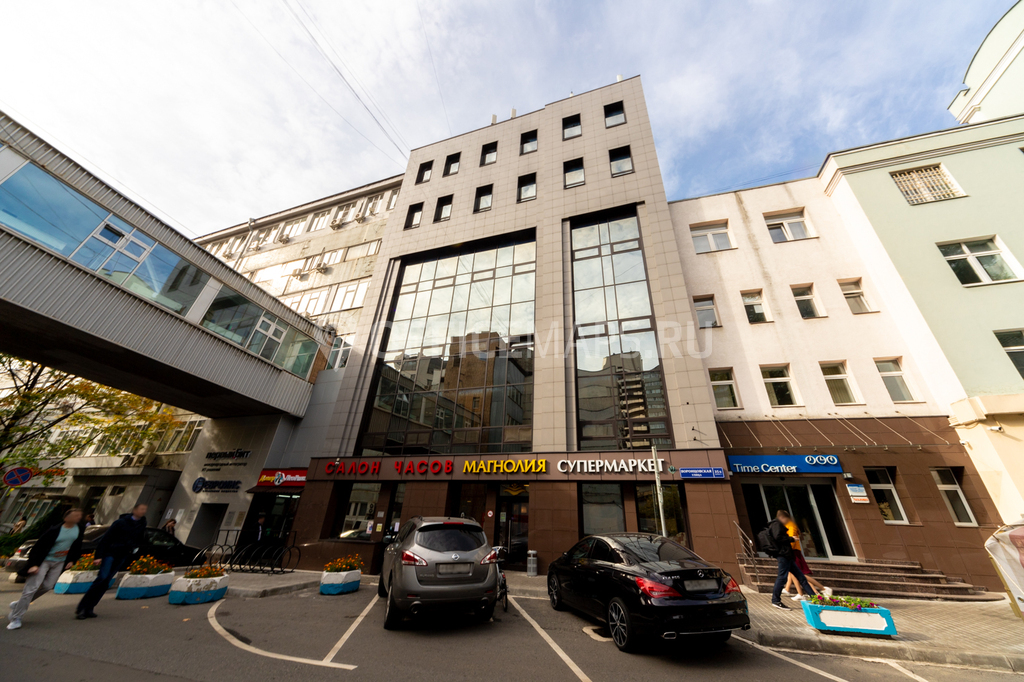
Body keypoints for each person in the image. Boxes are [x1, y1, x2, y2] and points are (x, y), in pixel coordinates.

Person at [7, 508, 84, 630]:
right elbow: (37, 547)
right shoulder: (54, 530)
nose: (78, 517)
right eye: (76, 515)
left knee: (48, 586)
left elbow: (77, 545)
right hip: (44, 561)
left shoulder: (78, 528)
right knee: (30, 589)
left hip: (59, 562)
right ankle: (16, 618)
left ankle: (19, 604)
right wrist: (33, 564)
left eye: (79, 515)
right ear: (66, 518)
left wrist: (72, 560)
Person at [75, 503, 147, 620]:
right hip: (110, 553)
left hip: (122, 555)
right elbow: (106, 538)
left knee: (106, 581)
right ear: (134, 510)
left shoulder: (142, 524)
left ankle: (90, 607)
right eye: (141, 509)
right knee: (102, 578)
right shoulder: (121, 522)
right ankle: (82, 608)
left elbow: (139, 538)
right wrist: (98, 556)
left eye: (144, 510)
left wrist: (133, 548)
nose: (143, 511)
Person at [768, 509, 815, 610]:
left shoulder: (778, 524)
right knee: (782, 578)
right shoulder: (776, 524)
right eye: (786, 519)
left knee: (801, 577)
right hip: (783, 555)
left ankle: (815, 598)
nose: (787, 521)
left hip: (788, 556)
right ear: (782, 517)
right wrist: (791, 539)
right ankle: (775, 600)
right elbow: (778, 538)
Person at [782, 517, 831, 600]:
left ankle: (822, 589)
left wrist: (787, 550)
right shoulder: (787, 526)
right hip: (792, 552)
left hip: (794, 552)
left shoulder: (791, 525)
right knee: (793, 573)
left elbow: (792, 539)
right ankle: (799, 593)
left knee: (800, 574)